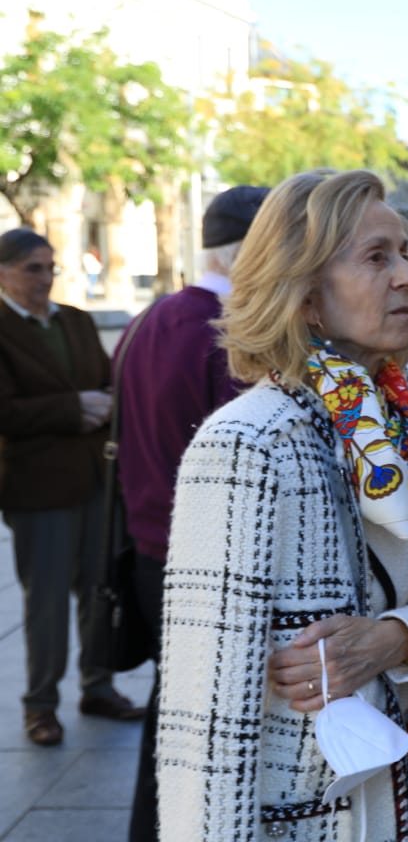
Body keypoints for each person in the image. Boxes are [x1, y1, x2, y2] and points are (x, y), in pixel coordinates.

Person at [155, 170, 408, 840]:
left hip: (395, 795)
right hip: (301, 820)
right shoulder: (247, 443)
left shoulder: (401, 409)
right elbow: (205, 721)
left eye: (405, 252)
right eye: (376, 257)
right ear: (305, 297)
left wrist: (396, 639)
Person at [115, 185, 269, 841]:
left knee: (174, 715)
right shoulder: (221, 332)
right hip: (197, 559)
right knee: (198, 729)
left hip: (151, 549)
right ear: (246, 255)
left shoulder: (152, 318)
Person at [0, 227, 144, 747]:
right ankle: (40, 705)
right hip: (38, 486)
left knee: (100, 589)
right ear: (3, 273)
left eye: (49, 267)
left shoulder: (77, 321)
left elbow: (108, 382)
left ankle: (98, 686)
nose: (43, 278)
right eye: (30, 269)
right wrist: (72, 408)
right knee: (46, 604)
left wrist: (103, 401)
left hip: (97, 480)